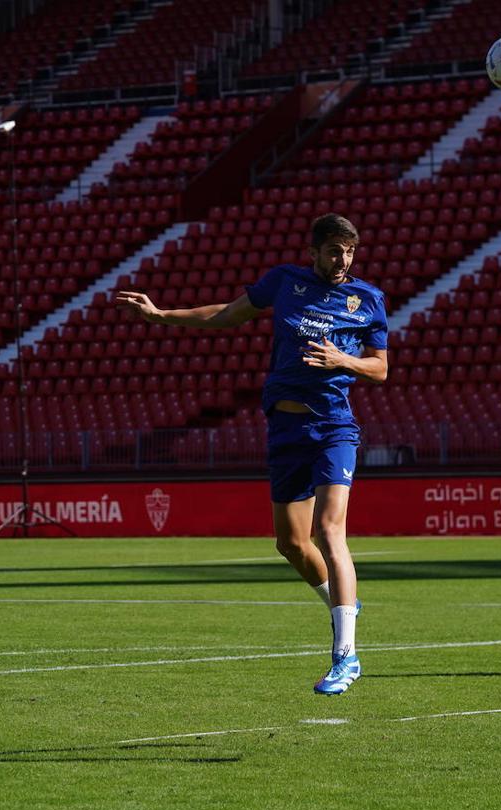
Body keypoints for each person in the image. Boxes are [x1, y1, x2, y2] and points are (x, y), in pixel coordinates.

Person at [117, 213, 388, 695]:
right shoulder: (285, 282)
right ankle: (341, 602)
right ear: (314, 251)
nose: (342, 260)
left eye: (349, 251)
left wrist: (342, 360)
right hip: (285, 427)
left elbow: (380, 369)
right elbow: (227, 313)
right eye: (333, 251)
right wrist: (161, 316)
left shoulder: (368, 299)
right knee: (289, 543)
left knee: (329, 530)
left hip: (333, 426)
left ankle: (345, 655)